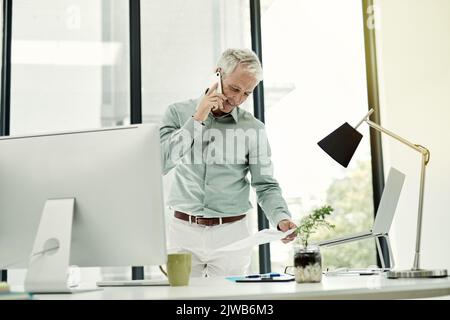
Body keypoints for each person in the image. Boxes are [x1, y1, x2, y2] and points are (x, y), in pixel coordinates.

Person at [160, 48, 297, 277]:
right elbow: (162, 162)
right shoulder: (176, 113)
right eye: (234, 88)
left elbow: (265, 184)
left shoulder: (253, 129)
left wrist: (281, 217)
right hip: (182, 231)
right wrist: (197, 118)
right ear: (217, 73)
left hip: (232, 235)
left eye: (247, 93)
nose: (237, 99)